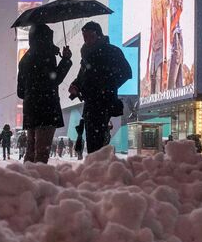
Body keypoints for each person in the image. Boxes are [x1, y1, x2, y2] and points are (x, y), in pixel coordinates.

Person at [69, 22, 132, 154]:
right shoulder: (86, 54)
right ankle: (96, 168)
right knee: (92, 141)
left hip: (104, 102)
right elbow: (82, 76)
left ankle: (100, 168)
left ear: (97, 35)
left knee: (98, 141)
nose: (86, 39)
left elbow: (126, 72)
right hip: (90, 102)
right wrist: (75, 86)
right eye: (84, 36)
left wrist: (109, 85)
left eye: (89, 35)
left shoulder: (111, 51)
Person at [18, 24, 73, 163]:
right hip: (47, 109)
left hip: (30, 112)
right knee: (42, 152)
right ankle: (37, 182)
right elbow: (55, 79)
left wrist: (31, 92)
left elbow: (20, 92)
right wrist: (65, 60)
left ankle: (25, 181)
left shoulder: (24, 59)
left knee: (31, 151)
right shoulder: (46, 55)